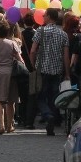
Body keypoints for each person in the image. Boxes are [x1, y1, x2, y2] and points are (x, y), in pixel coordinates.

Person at [29, 8, 71, 136]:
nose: (43, 17)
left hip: (42, 69)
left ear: (49, 17)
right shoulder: (63, 34)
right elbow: (66, 56)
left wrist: (33, 64)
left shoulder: (40, 31)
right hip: (57, 70)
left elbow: (33, 50)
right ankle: (51, 120)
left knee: (40, 96)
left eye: (44, 15)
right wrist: (67, 73)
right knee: (54, 97)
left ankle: (47, 115)